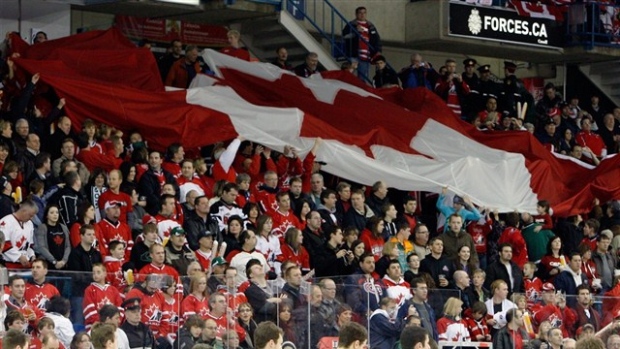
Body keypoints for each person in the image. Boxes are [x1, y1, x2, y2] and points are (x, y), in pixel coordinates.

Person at [342, 6, 381, 80]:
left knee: (362, 78)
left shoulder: (371, 26)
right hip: (353, 54)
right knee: (349, 76)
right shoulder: (351, 24)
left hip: (366, 56)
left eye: (364, 13)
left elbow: (377, 39)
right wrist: (355, 31)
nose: (362, 15)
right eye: (360, 13)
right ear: (356, 14)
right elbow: (345, 36)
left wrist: (378, 51)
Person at [1, 199, 38, 269]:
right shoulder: (5, 222)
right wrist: (19, 256)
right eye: (30, 215)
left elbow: (30, 245)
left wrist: (32, 256)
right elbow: (4, 244)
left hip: (25, 264)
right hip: (9, 264)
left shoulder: (29, 224)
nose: (31, 218)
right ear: (24, 211)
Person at [34, 205, 71, 270]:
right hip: (48, 264)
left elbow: (68, 246)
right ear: (47, 215)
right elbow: (41, 247)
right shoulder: (42, 228)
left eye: (57, 212)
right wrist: (54, 261)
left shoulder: (63, 227)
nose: (55, 215)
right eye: (52, 213)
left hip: (63, 264)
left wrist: (64, 261)